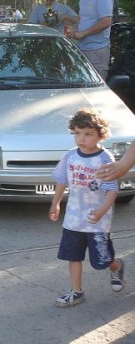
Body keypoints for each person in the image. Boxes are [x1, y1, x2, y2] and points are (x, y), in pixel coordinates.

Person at [48, 108, 125, 308]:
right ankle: (77, 292)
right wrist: (55, 203)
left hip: (97, 219)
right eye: (77, 133)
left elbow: (111, 190)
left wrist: (101, 211)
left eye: (88, 134)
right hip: (74, 217)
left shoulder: (104, 159)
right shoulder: (70, 156)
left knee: (101, 260)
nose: (81, 139)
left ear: (101, 135)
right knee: (72, 255)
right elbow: (61, 180)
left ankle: (116, 266)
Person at [69, 0, 114, 79]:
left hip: (96, 50)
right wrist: (74, 29)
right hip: (82, 48)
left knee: (96, 87)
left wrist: (83, 33)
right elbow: (82, 18)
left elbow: (106, 21)